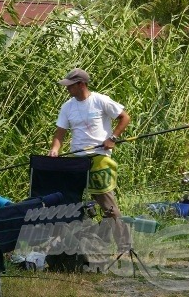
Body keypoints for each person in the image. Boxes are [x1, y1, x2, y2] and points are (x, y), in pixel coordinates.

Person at [48, 68, 131, 252]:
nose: (67, 89)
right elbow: (60, 133)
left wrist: (113, 138)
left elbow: (125, 117)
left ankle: (124, 245)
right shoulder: (67, 106)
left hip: (99, 158)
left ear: (81, 84)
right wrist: (55, 149)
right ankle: (66, 246)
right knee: (69, 202)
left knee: (108, 205)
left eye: (70, 86)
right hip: (76, 159)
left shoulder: (100, 100)